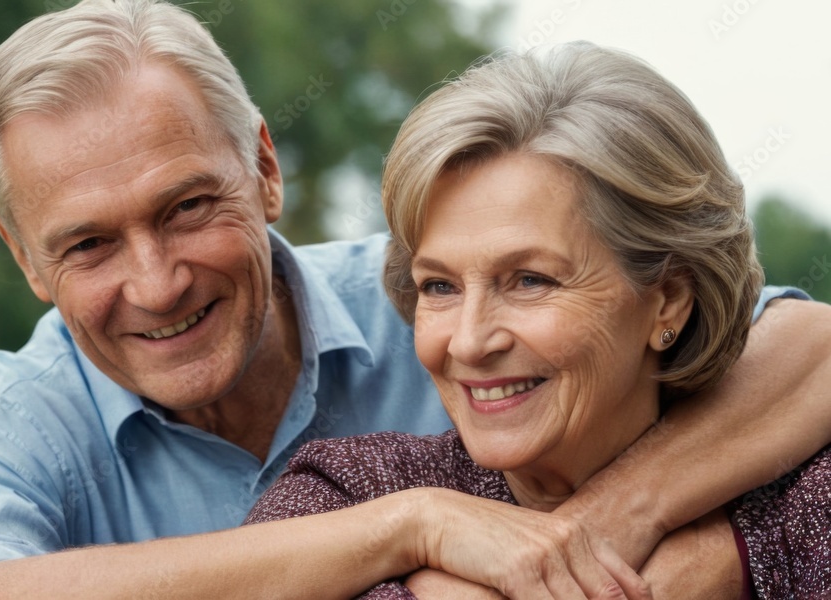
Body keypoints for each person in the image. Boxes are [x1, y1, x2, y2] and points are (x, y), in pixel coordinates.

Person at [0, 0, 831, 597]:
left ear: (264, 168)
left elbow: (802, 346)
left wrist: (606, 535)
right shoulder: (9, 423)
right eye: (88, 244)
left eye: (187, 207)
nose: (157, 280)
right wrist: (412, 525)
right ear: (24, 258)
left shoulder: (433, 279)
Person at [244, 42, 831, 598]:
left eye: (530, 280)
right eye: (440, 286)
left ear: (669, 300)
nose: (470, 342)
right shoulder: (346, 496)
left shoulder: (805, 499)